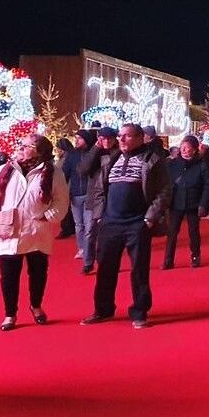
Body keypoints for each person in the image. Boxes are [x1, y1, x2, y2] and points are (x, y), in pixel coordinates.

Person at [81, 123, 171, 329]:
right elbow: (98, 187)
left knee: (139, 270)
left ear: (140, 138)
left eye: (127, 136)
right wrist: (100, 216)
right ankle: (103, 310)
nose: (121, 139)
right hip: (110, 222)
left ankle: (139, 312)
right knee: (105, 269)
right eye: (120, 135)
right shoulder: (111, 159)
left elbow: (165, 190)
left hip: (137, 223)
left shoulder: (153, 160)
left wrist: (149, 219)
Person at [0, 134, 69, 331]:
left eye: (26, 146)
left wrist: (49, 215)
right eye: (21, 144)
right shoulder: (5, 170)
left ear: (40, 151)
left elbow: (61, 199)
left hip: (36, 230)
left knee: (38, 273)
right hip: (8, 230)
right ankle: (10, 314)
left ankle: (36, 305)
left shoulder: (52, 173)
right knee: (8, 276)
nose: (20, 148)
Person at [163, 135, 209, 269]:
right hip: (176, 202)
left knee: (193, 232)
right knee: (172, 232)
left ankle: (195, 256)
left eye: (188, 148)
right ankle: (168, 259)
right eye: (183, 148)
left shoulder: (202, 165)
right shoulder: (172, 164)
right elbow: (166, 183)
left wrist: (203, 204)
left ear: (195, 149)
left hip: (194, 202)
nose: (184, 150)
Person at [77, 127, 120, 274]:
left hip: (112, 196)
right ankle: (88, 262)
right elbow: (83, 170)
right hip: (94, 197)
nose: (106, 142)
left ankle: (106, 261)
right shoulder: (93, 151)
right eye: (103, 138)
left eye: (109, 139)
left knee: (110, 233)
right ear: (98, 138)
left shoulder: (119, 153)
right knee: (90, 231)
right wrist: (96, 149)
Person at [61, 130, 93, 253]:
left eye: (80, 138)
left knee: (89, 225)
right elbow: (65, 174)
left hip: (89, 194)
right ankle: (81, 248)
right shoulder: (72, 155)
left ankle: (88, 250)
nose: (76, 140)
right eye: (76, 138)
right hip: (75, 194)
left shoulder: (93, 153)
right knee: (79, 224)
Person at [54, 138, 76, 238]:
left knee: (66, 210)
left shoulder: (65, 159)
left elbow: (62, 174)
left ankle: (66, 229)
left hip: (66, 187)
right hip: (68, 186)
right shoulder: (69, 157)